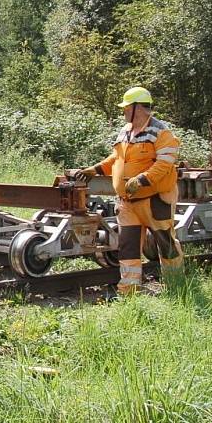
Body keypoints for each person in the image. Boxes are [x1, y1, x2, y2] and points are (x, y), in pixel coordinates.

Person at [76, 86, 183, 294]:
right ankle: (129, 289)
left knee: (165, 242)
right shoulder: (125, 131)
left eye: (127, 107)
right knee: (128, 246)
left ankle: (176, 283)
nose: (124, 111)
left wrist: (141, 180)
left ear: (138, 108)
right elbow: (117, 158)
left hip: (155, 200)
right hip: (127, 202)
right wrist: (95, 169)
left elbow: (165, 164)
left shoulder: (161, 133)